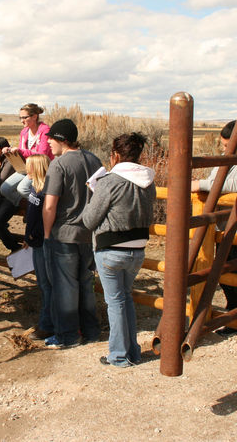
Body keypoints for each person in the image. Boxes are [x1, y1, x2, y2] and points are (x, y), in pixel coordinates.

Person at [81, 133, 156, 367]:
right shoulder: (148, 181)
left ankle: (119, 356)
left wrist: (93, 192)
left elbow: (89, 220)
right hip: (138, 249)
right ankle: (131, 352)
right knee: (125, 300)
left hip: (110, 250)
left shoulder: (109, 182)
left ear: (115, 155)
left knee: (115, 303)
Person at [42, 118, 102, 348]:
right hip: (89, 234)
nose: (48, 144)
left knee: (65, 287)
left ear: (61, 139)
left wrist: (47, 234)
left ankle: (68, 336)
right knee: (85, 284)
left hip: (64, 234)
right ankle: (91, 331)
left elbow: (49, 205)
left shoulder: (59, 165)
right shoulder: (94, 159)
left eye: (51, 139)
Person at [191, 120, 237, 318]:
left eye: (227, 145)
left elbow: (236, 183)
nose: (223, 149)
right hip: (224, 229)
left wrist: (202, 184)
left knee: (236, 275)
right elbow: (217, 180)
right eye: (222, 145)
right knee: (225, 275)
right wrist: (208, 184)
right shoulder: (227, 159)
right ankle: (235, 314)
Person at [23, 154, 54, 341]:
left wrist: (36, 235)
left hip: (42, 243)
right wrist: (28, 236)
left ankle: (47, 325)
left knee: (46, 285)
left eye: (29, 166)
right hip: (35, 241)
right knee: (42, 284)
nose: (26, 170)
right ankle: (46, 322)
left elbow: (45, 218)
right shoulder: (36, 188)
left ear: (37, 167)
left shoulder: (45, 192)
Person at [0, 103, 54, 207]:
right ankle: (28, 207)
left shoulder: (45, 130)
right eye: (20, 117)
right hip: (26, 167)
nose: (22, 121)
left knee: (22, 188)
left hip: (40, 168)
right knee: (5, 189)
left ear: (34, 116)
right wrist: (10, 151)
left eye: (25, 117)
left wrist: (21, 151)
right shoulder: (24, 132)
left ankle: (43, 207)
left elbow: (42, 155)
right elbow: (22, 152)